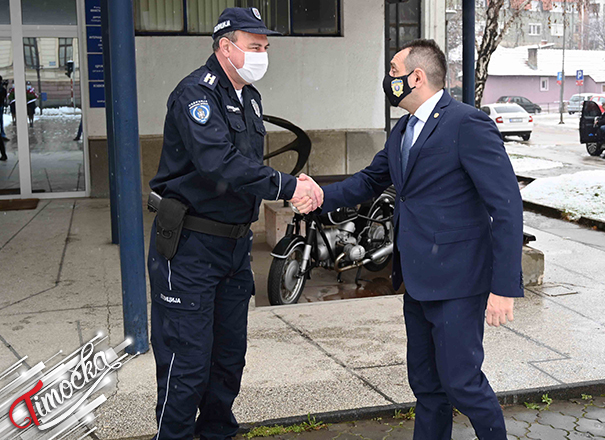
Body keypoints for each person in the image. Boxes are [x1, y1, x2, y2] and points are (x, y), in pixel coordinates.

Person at [294, 39, 523, 440]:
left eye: (393, 72)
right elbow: (369, 180)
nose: (388, 79)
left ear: (416, 77)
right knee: (427, 386)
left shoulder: (467, 124)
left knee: (462, 383)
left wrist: (504, 286)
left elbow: (506, 206)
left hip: (459, 281)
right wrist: (319, 195)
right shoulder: (403, 129)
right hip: (417, 281)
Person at [147, 7, 322, 440]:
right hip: (190, 246)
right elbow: (219, 163)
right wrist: (288, 185)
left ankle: (218, 433)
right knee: (187, 363)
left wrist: (289, 185)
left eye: (265, 47)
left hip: (233, 248)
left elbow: (247, 167)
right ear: (225, 47)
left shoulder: (250, 98)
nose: (262, 54)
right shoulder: (196, 95)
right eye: (254, 46)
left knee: (227, 360)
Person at [0, 75, 8, 141]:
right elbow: (5, 96)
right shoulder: (2, 88)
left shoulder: (2, 88)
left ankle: (2, 134)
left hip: (1, 105)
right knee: (1, 121)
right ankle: (2, 134)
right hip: (1, 105)